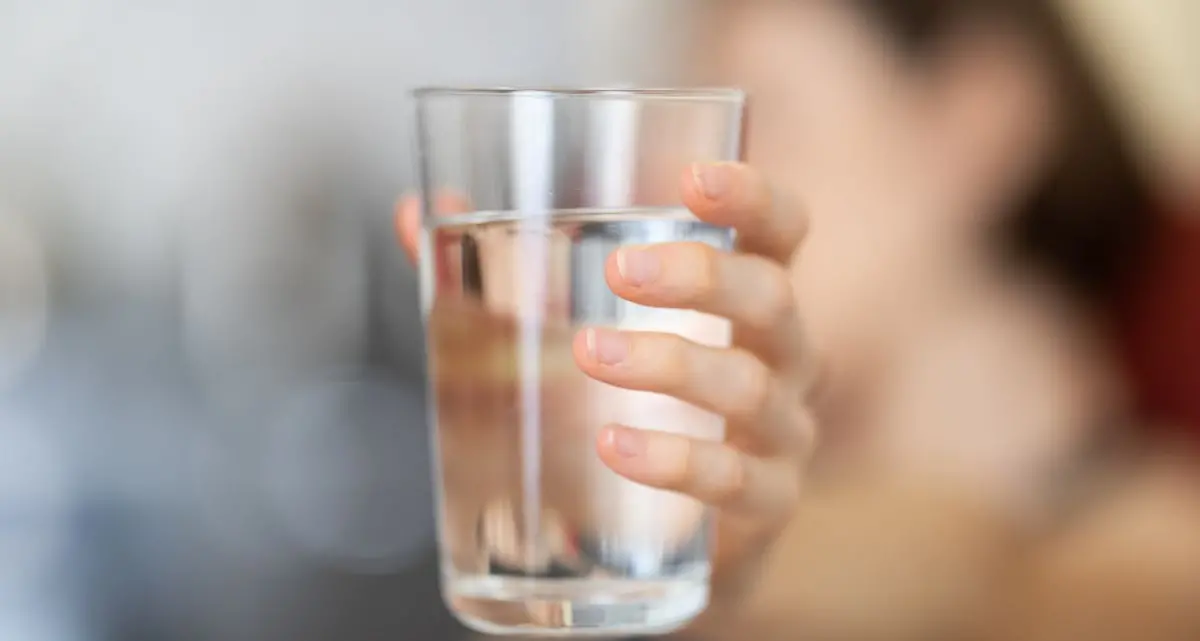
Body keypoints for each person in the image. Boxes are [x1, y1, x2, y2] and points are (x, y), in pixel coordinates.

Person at [397, 1, 1200, 638]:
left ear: (979, 113)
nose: (666, 178)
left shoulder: (1153, 563)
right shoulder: (697, 543)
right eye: (673, 117)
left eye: (761, 112)